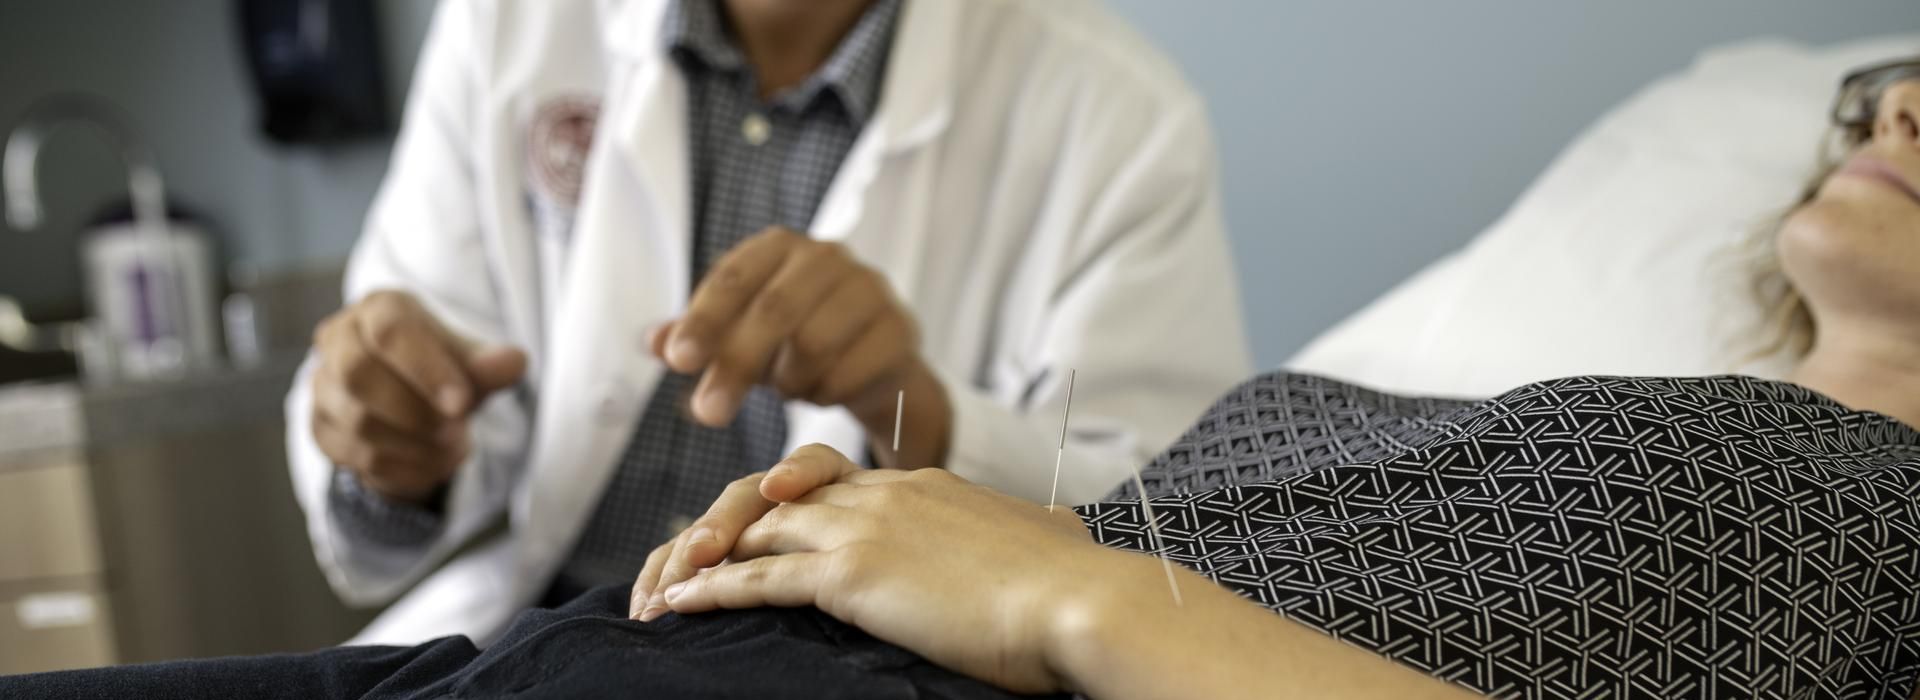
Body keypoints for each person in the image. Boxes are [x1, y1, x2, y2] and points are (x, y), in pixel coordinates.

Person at [7, 54, 1916, 700]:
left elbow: (1094, 500)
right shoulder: (523, 26)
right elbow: (1155, 473)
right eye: (1882, 88)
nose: (1899, 99)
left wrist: (1043, 570)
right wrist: (381, 434)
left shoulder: (1103, 99)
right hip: (606, 630)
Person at [285, 0, 1250, 645]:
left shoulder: (1121, 116)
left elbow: (1177, 545)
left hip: (845, 664)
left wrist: (913, 411)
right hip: (535, 636)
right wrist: (393, 455)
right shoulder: (509, 26)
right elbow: (405, 364)